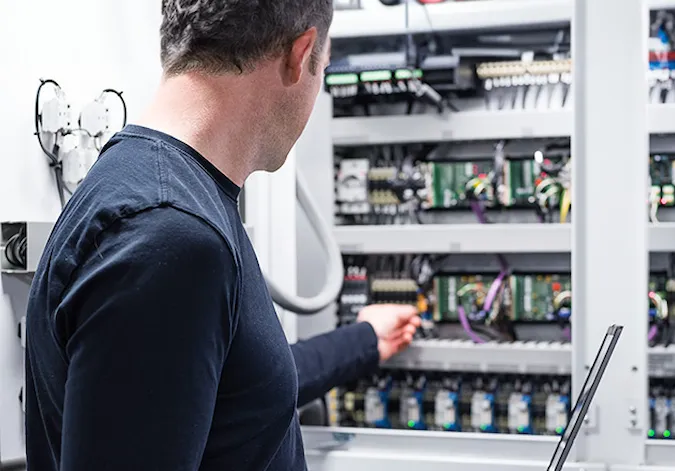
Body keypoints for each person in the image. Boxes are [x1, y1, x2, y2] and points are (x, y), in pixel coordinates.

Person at [24, 1, 420, 470]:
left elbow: (236, 392)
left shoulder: (162, 198)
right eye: (325, 69)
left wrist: (363, 340)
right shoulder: (167, 233)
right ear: (301, 54)